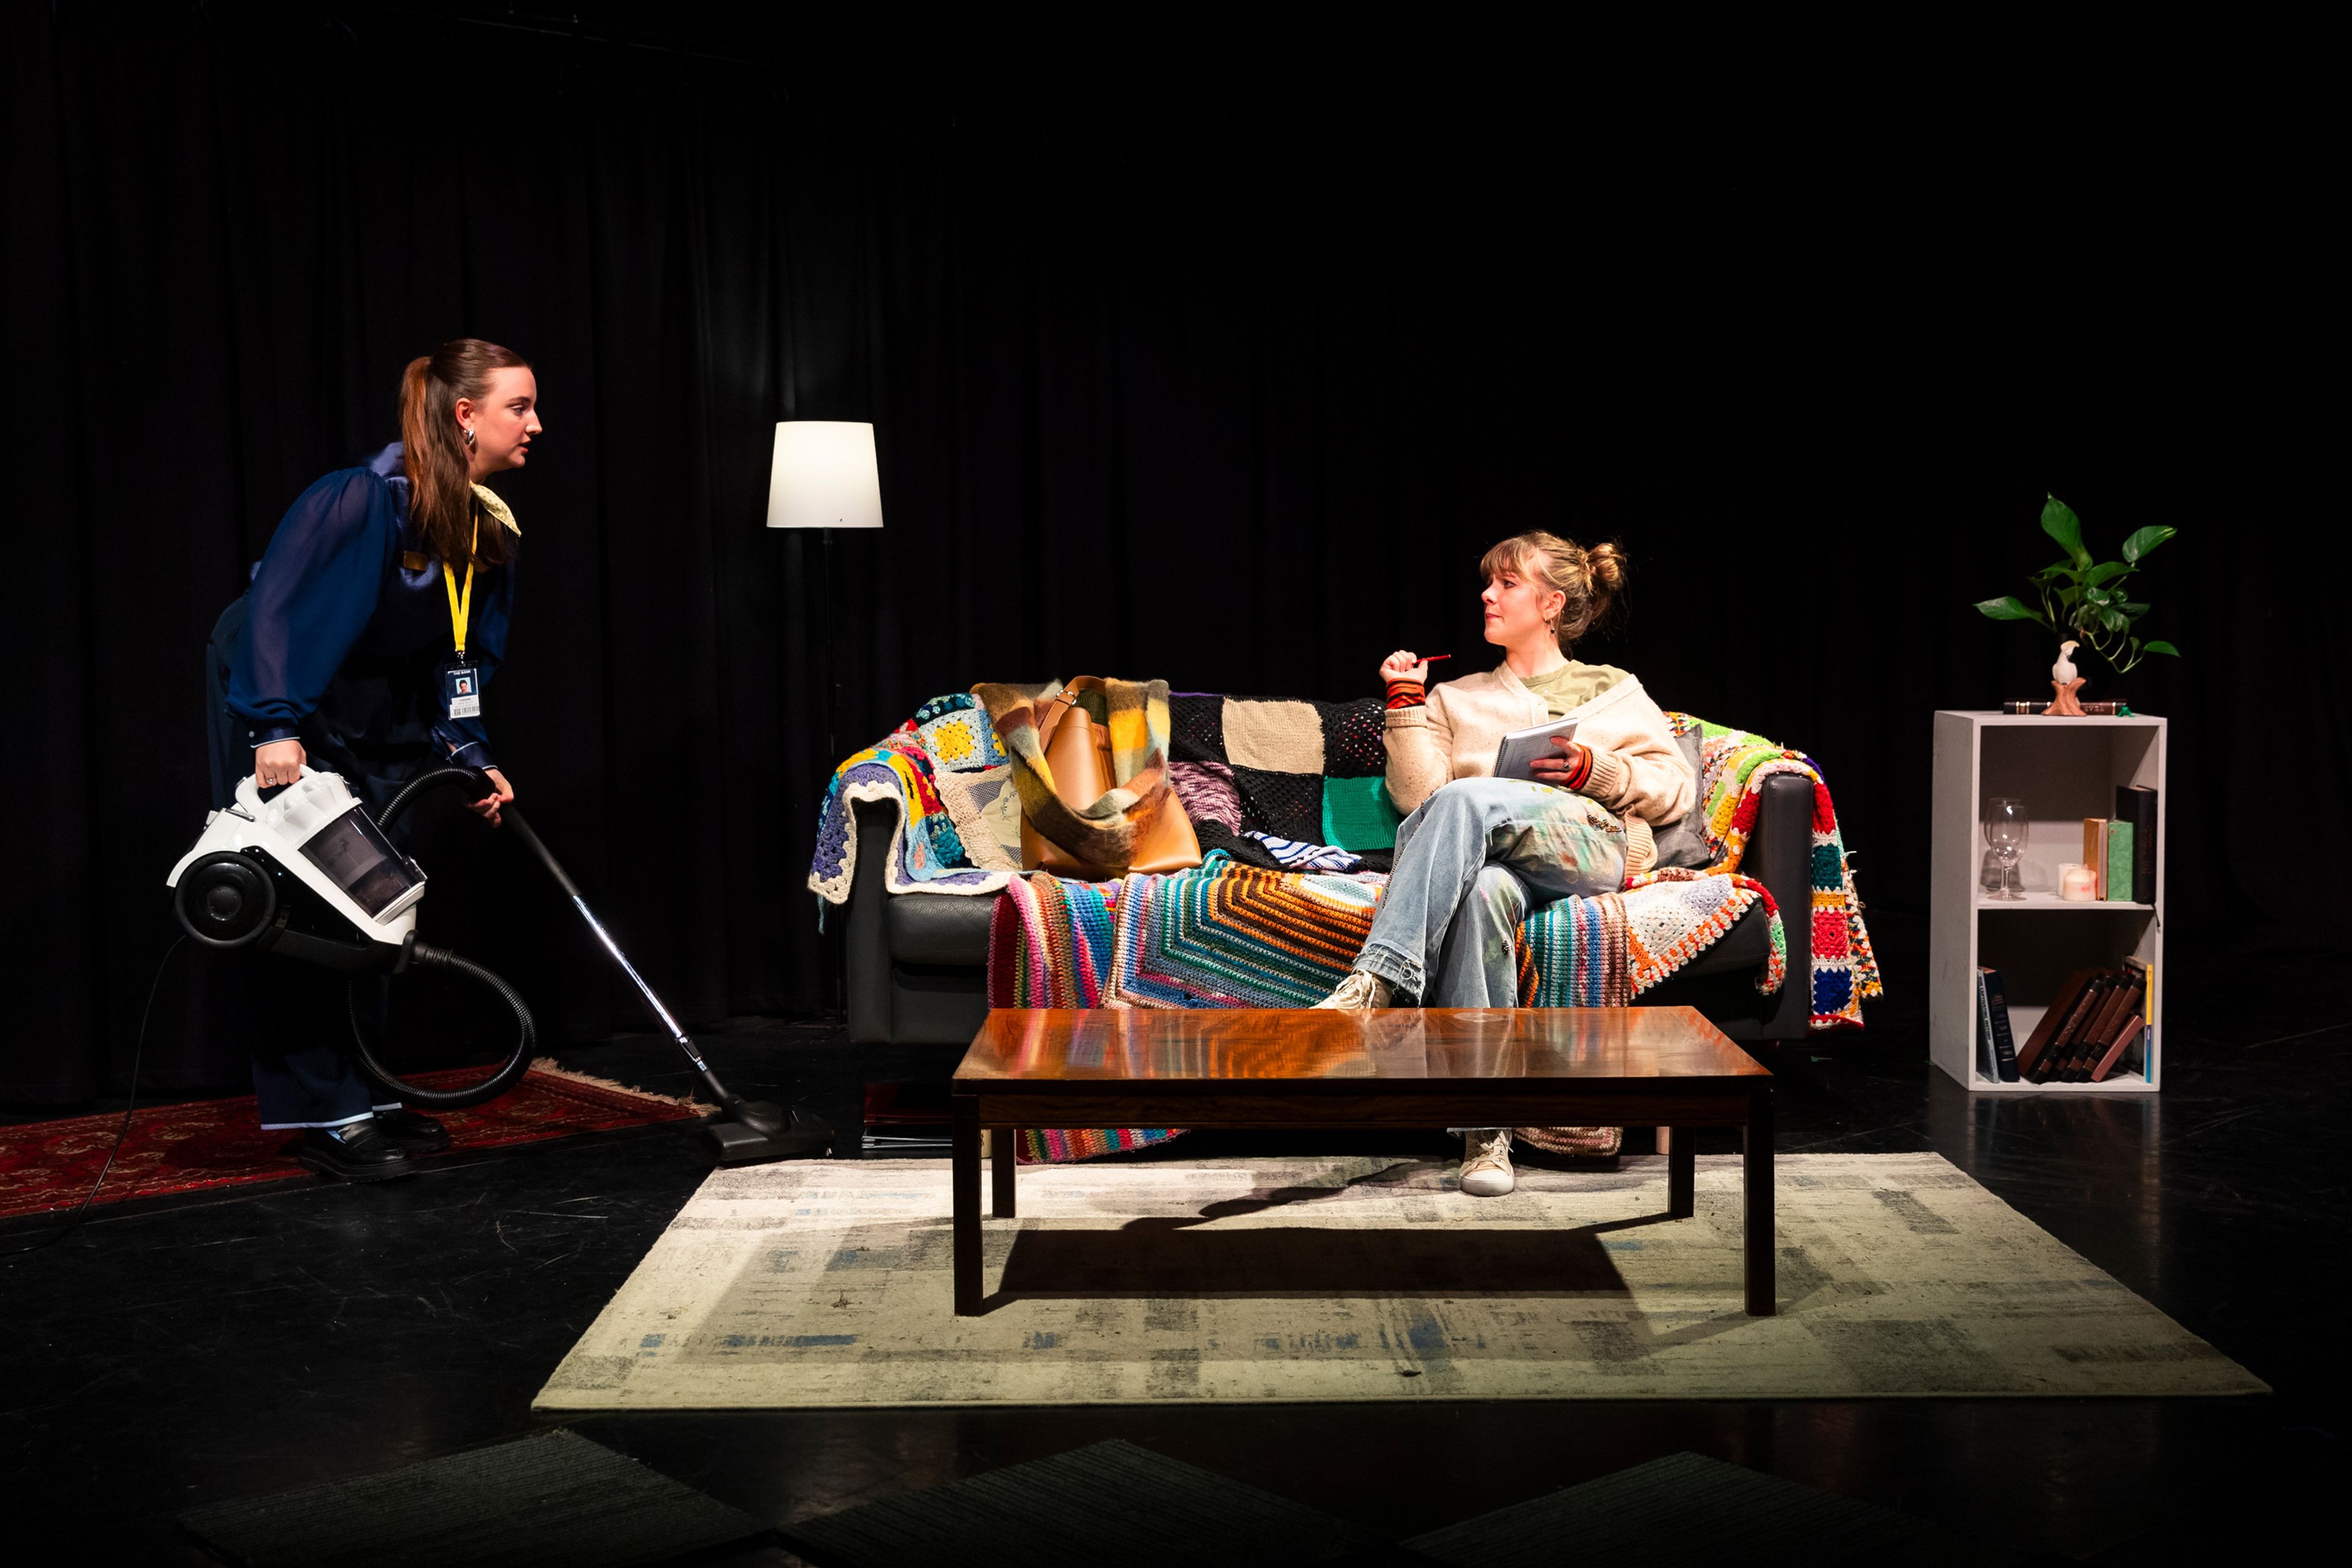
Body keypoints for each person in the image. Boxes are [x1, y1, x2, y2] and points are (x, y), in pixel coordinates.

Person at [205, 339, 540, 1182]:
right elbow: (279, 606)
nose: (537, 424)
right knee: (307, 905)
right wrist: (273, 727)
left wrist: (468, 753)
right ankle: (328, 1114)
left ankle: (373, 1091)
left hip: (375, 706)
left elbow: (458, 661)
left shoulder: (484, 522)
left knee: (377, 898)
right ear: (465, 416)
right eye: (520, 407)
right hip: (282, 696)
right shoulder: (364, 498)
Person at [1314, 530, 1694, 1197]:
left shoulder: (1612, 689)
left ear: (1551, 604)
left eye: (1507, 584)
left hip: (1588, 846)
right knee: (1484, 888)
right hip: (1495, 858)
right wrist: (1405, 702)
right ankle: (1485, 1133)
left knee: (1470, 797)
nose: (1487, 595)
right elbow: (1419, 801)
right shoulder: (1455, 697)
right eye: (1488, 584)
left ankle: (1383, 979)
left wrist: (1595, 769)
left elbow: (1675, 789)